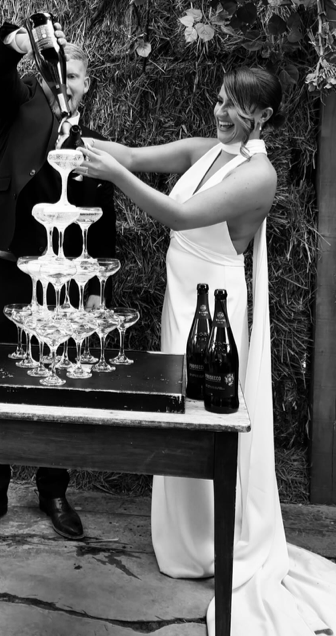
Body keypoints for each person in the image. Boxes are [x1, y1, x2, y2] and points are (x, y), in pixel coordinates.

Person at [75, 67, 336, 635]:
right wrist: (77, 135)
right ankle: (185, 539)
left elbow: (177, 215)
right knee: (179, 410)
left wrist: (114, 176)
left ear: (263, 116)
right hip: (180, 297)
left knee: (206, 411)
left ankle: (216, 537)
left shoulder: (259, 175)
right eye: (219, 100)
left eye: (235, 106)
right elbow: (134, 155)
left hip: (213, 307)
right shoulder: (206, 150)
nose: (221, 112)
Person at [0, 22, 116, 544]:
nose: (65, 82)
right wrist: (13, 43)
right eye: (59, 73)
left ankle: (54, 492)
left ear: (87, 85)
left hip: (62, 279)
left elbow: (103, 219)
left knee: (59, 379)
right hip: (8, 268)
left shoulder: (92, 146)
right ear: (47, 74)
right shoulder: (19, 105)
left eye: (75, 76)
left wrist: (96, 288)